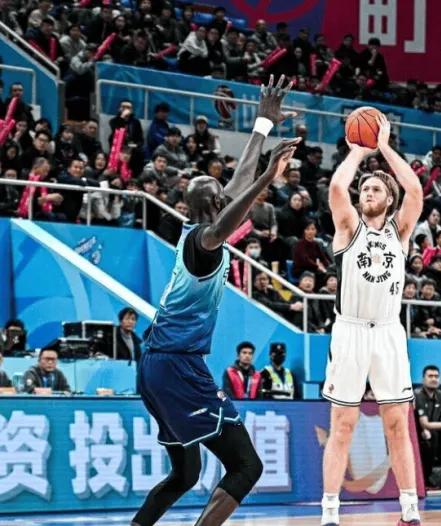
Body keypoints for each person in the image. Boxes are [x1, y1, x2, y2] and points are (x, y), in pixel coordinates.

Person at [132, 75, 299, 526]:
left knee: (185, 474)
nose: (228, 190)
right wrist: (268, 176)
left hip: (157, 364)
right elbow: (234, 209)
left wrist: (262, 124)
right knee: (247, 466)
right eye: (219, 193)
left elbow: (238, 183)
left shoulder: (198, 232)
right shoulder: (203, 241)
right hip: (176, 366)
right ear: (211, 204)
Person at [321, 113, 424, 526]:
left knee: (397, 424)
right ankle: (330, 512)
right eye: (364, 188)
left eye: (376, 188)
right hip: (350, 331)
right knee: (342, 424)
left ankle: (410, 511)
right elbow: (335, 188)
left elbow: (415, 190)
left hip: (387, 332)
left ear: (388, 199)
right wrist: (357, 153)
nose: (367, 192)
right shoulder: (348, 228)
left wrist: (383, 147)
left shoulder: (400, 232)